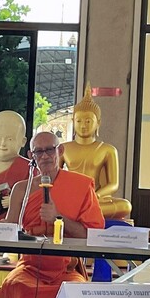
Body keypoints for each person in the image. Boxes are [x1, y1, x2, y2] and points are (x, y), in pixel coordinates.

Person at [0, 132, 105, 298]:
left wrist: (58, 218)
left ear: (60, 151)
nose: (45, 156)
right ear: (31, 156)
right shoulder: (21, 189)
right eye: (39, 151)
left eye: (49, 150)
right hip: (30, 267)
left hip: (66, 268)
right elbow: (11, 229)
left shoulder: (80, 186)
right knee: (15, 286)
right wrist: (1, 228)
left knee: (75, 294)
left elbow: (93, 235)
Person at [60, 83, 132, 219]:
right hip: (72, 198)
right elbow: (55, 179)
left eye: (88, 121)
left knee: (125, 206)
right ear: (73, 121)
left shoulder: (108, 150)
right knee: (58, 204)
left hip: (96, 199)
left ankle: (79, 213)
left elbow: (113, 184)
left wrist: (95, 195)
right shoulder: (63, 148)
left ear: (98, 123)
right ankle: (80, 212)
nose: (83, 126)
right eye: (79, 121)